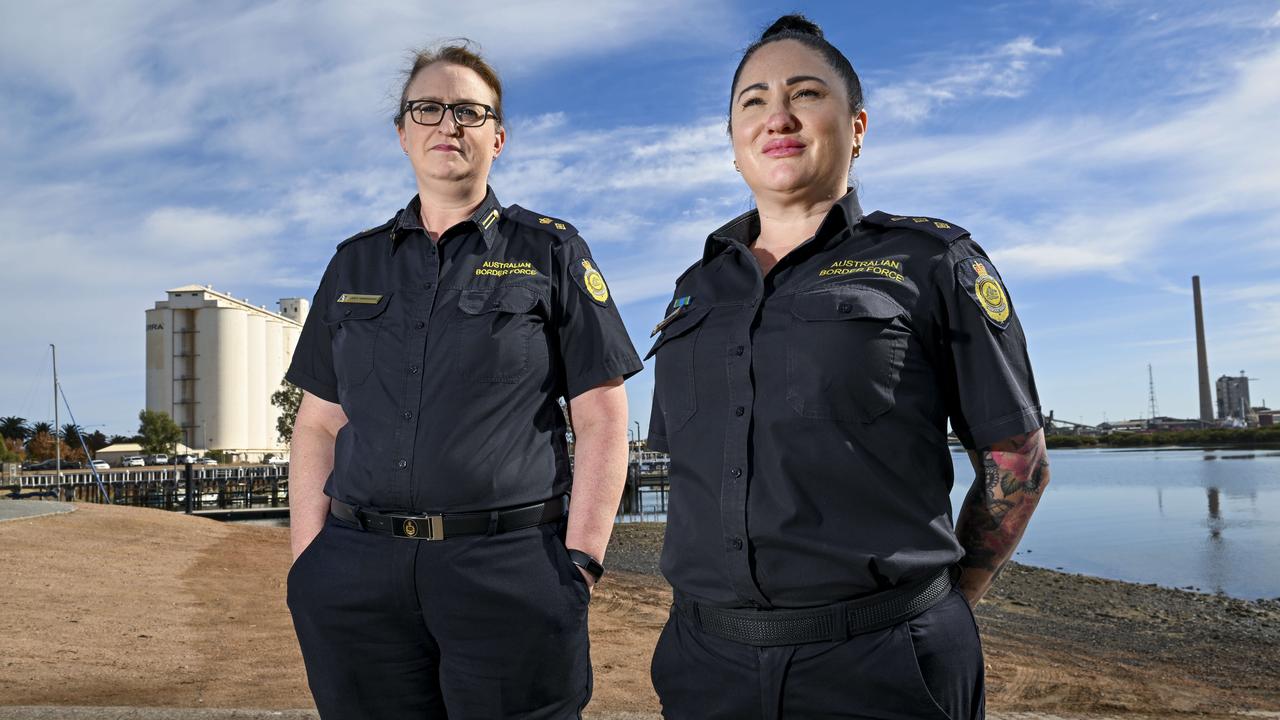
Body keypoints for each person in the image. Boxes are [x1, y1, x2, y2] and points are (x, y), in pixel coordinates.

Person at [646, 15, 1049, 720]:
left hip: (882, 660)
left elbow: (1018, 457)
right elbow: (684, 464)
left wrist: (951, 598)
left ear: (856, 126)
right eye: (754, 99)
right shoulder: (694, 289)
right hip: (703, 663)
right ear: (733, 145)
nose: (778, 114)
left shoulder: (931, 262)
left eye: (806, 93)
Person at [284, 42, 642, 719]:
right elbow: (318, 422)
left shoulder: (551, 251)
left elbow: (601, 414)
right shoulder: (352, 267)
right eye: (428, 108)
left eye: (470, 112)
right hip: (356, 573)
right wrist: (309, 563)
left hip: (508, 572)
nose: (448, 124)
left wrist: (580, 564)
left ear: (497, 138)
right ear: (402, 133)